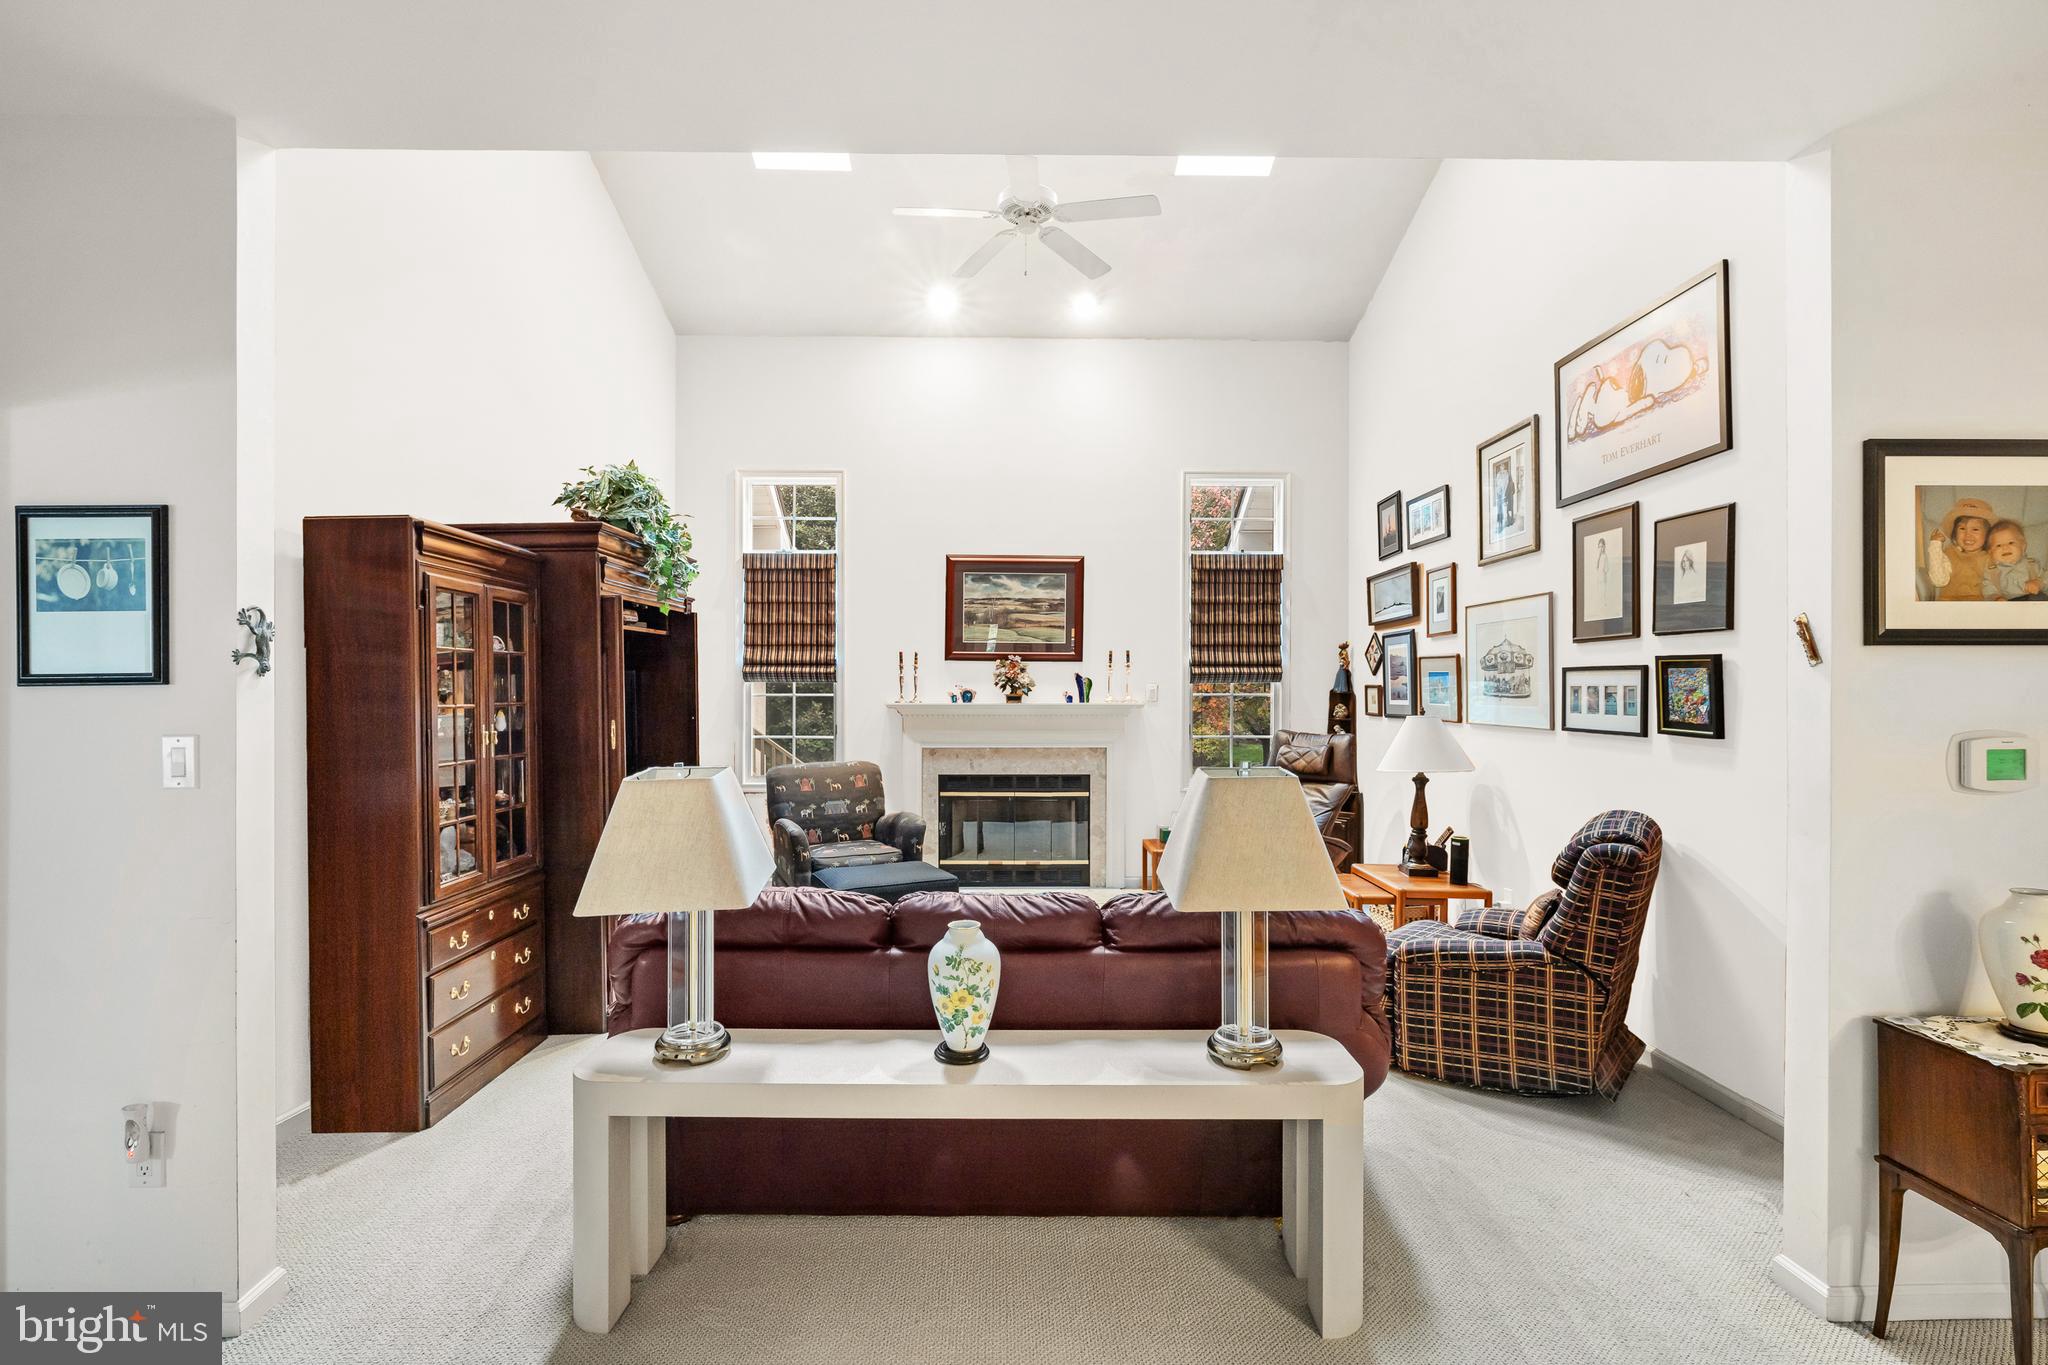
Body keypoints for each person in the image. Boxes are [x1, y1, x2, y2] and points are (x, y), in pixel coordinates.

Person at [1926, 496, 1997, 601]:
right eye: (1962, 528)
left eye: (1975, 529)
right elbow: (1938, 581)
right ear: (1955, 533)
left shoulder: (1991, 557)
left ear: (1988, 534)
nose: (1968, 535)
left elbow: (2000, 583)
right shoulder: (1950, 554)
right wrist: (1935, 546)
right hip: (1949, 603)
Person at [1982, 520, 2048, 601]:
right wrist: (1996, 598)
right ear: (1990, 552)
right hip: (2008, 602)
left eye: (2011, 543)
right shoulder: (1992, 572)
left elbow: (2046, 577)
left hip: (2033, 599)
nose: (2005, 547)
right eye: (1998, 545)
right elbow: (1988, 591)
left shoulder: (2032, 565)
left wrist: (2039, 583)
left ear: (2023, 547)